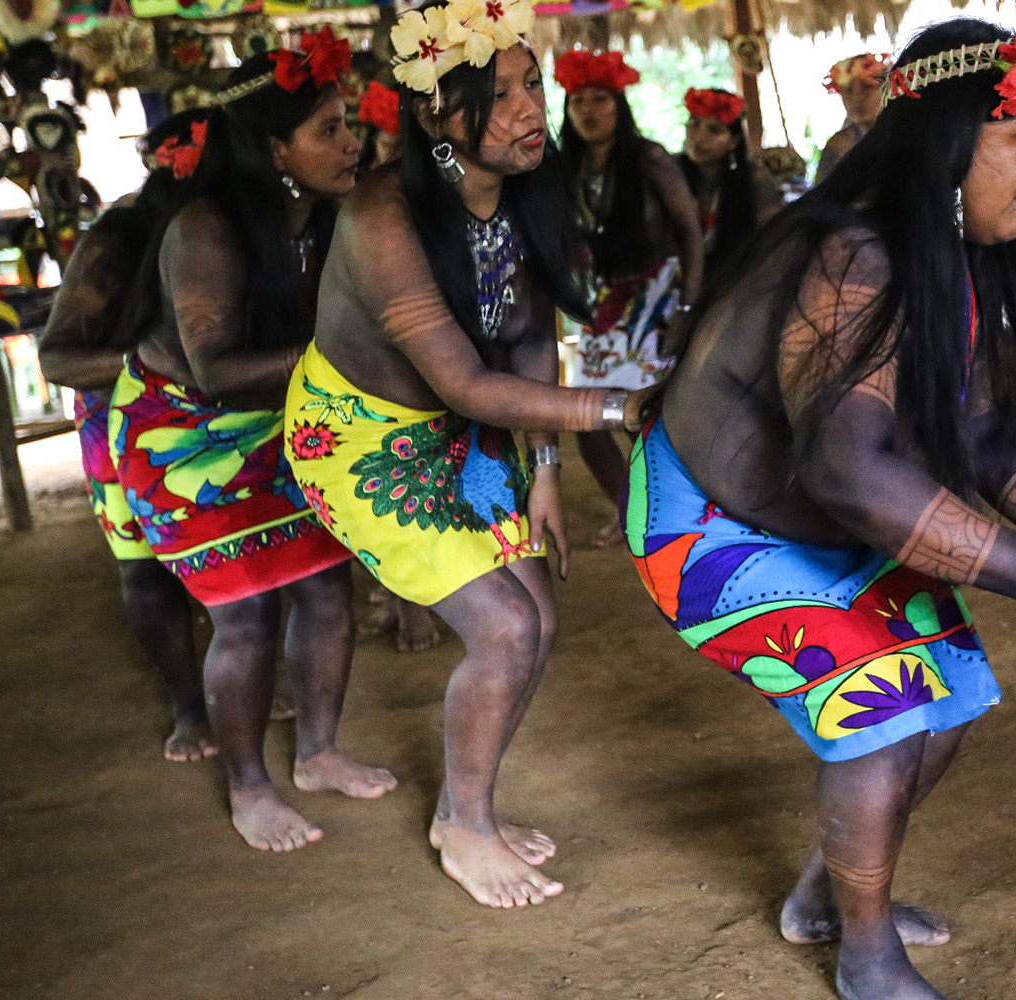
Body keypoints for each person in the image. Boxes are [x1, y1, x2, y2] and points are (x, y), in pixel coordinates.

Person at [626, 18, 1016, 1000]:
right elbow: (849, 472)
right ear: (949, 139)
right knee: (885, 712)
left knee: (951, 691)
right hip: (710, 526)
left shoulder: (944, 250)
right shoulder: (856, 256)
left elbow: (979, 432)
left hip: (824, 516)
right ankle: (867, 955)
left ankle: (829, 895)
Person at [288, 0, 650, 907]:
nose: (530, 110)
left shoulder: (524, 191)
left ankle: (464, 803)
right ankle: (467, 829)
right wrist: (620, 406)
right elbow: (464, 383)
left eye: (531, 84)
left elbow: (528, 341)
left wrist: (546, 472)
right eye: (499, 96)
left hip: (467, 429)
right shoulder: (381, 219)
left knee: (542, 621)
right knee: (507, 627)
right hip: (360, 439)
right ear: (435, 118)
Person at [112, 31, 396, 853]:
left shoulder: (328, 213)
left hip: (280, 420)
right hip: (184, 442)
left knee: (326, 591)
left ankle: (318, 753)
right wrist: (351, 354)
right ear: (274, 150)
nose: (353, 142)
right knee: (246, 618)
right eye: (329, 130)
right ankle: (248, 787)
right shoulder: (205, 228)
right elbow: (214, 371)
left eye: (350, 124)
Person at [38, 111, 214, 762]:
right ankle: (189, 706)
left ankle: (248, 680)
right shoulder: (117, 238)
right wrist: (159, 365)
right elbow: (58, 359)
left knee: (253, 565)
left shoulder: (248, 222)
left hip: (220, 425)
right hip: (122, 428)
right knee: (146, 576)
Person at [556, 48, 704, 547]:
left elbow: (689, 233)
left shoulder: (650, 159)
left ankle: (677, 512)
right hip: (588, 311)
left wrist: (686, 308)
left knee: (646, 416)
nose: (589, 110)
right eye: (578, 100)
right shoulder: (558, 169)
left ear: (620, 105)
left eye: (601, 98)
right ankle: (629, 512)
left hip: (650, 306)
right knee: (586, 419)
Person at [678, 86, 783, 295]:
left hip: (735, 287)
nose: (699, 137)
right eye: (694, 124)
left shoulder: (753, 181)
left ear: (734, 141)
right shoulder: (671, 175)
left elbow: (773, 243)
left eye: (714, 130)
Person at [816, 53, 888, 183]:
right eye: (847, 90)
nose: (856, 98)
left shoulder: (907, 135)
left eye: (866, 89)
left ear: (885, 91)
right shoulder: (838, 144)